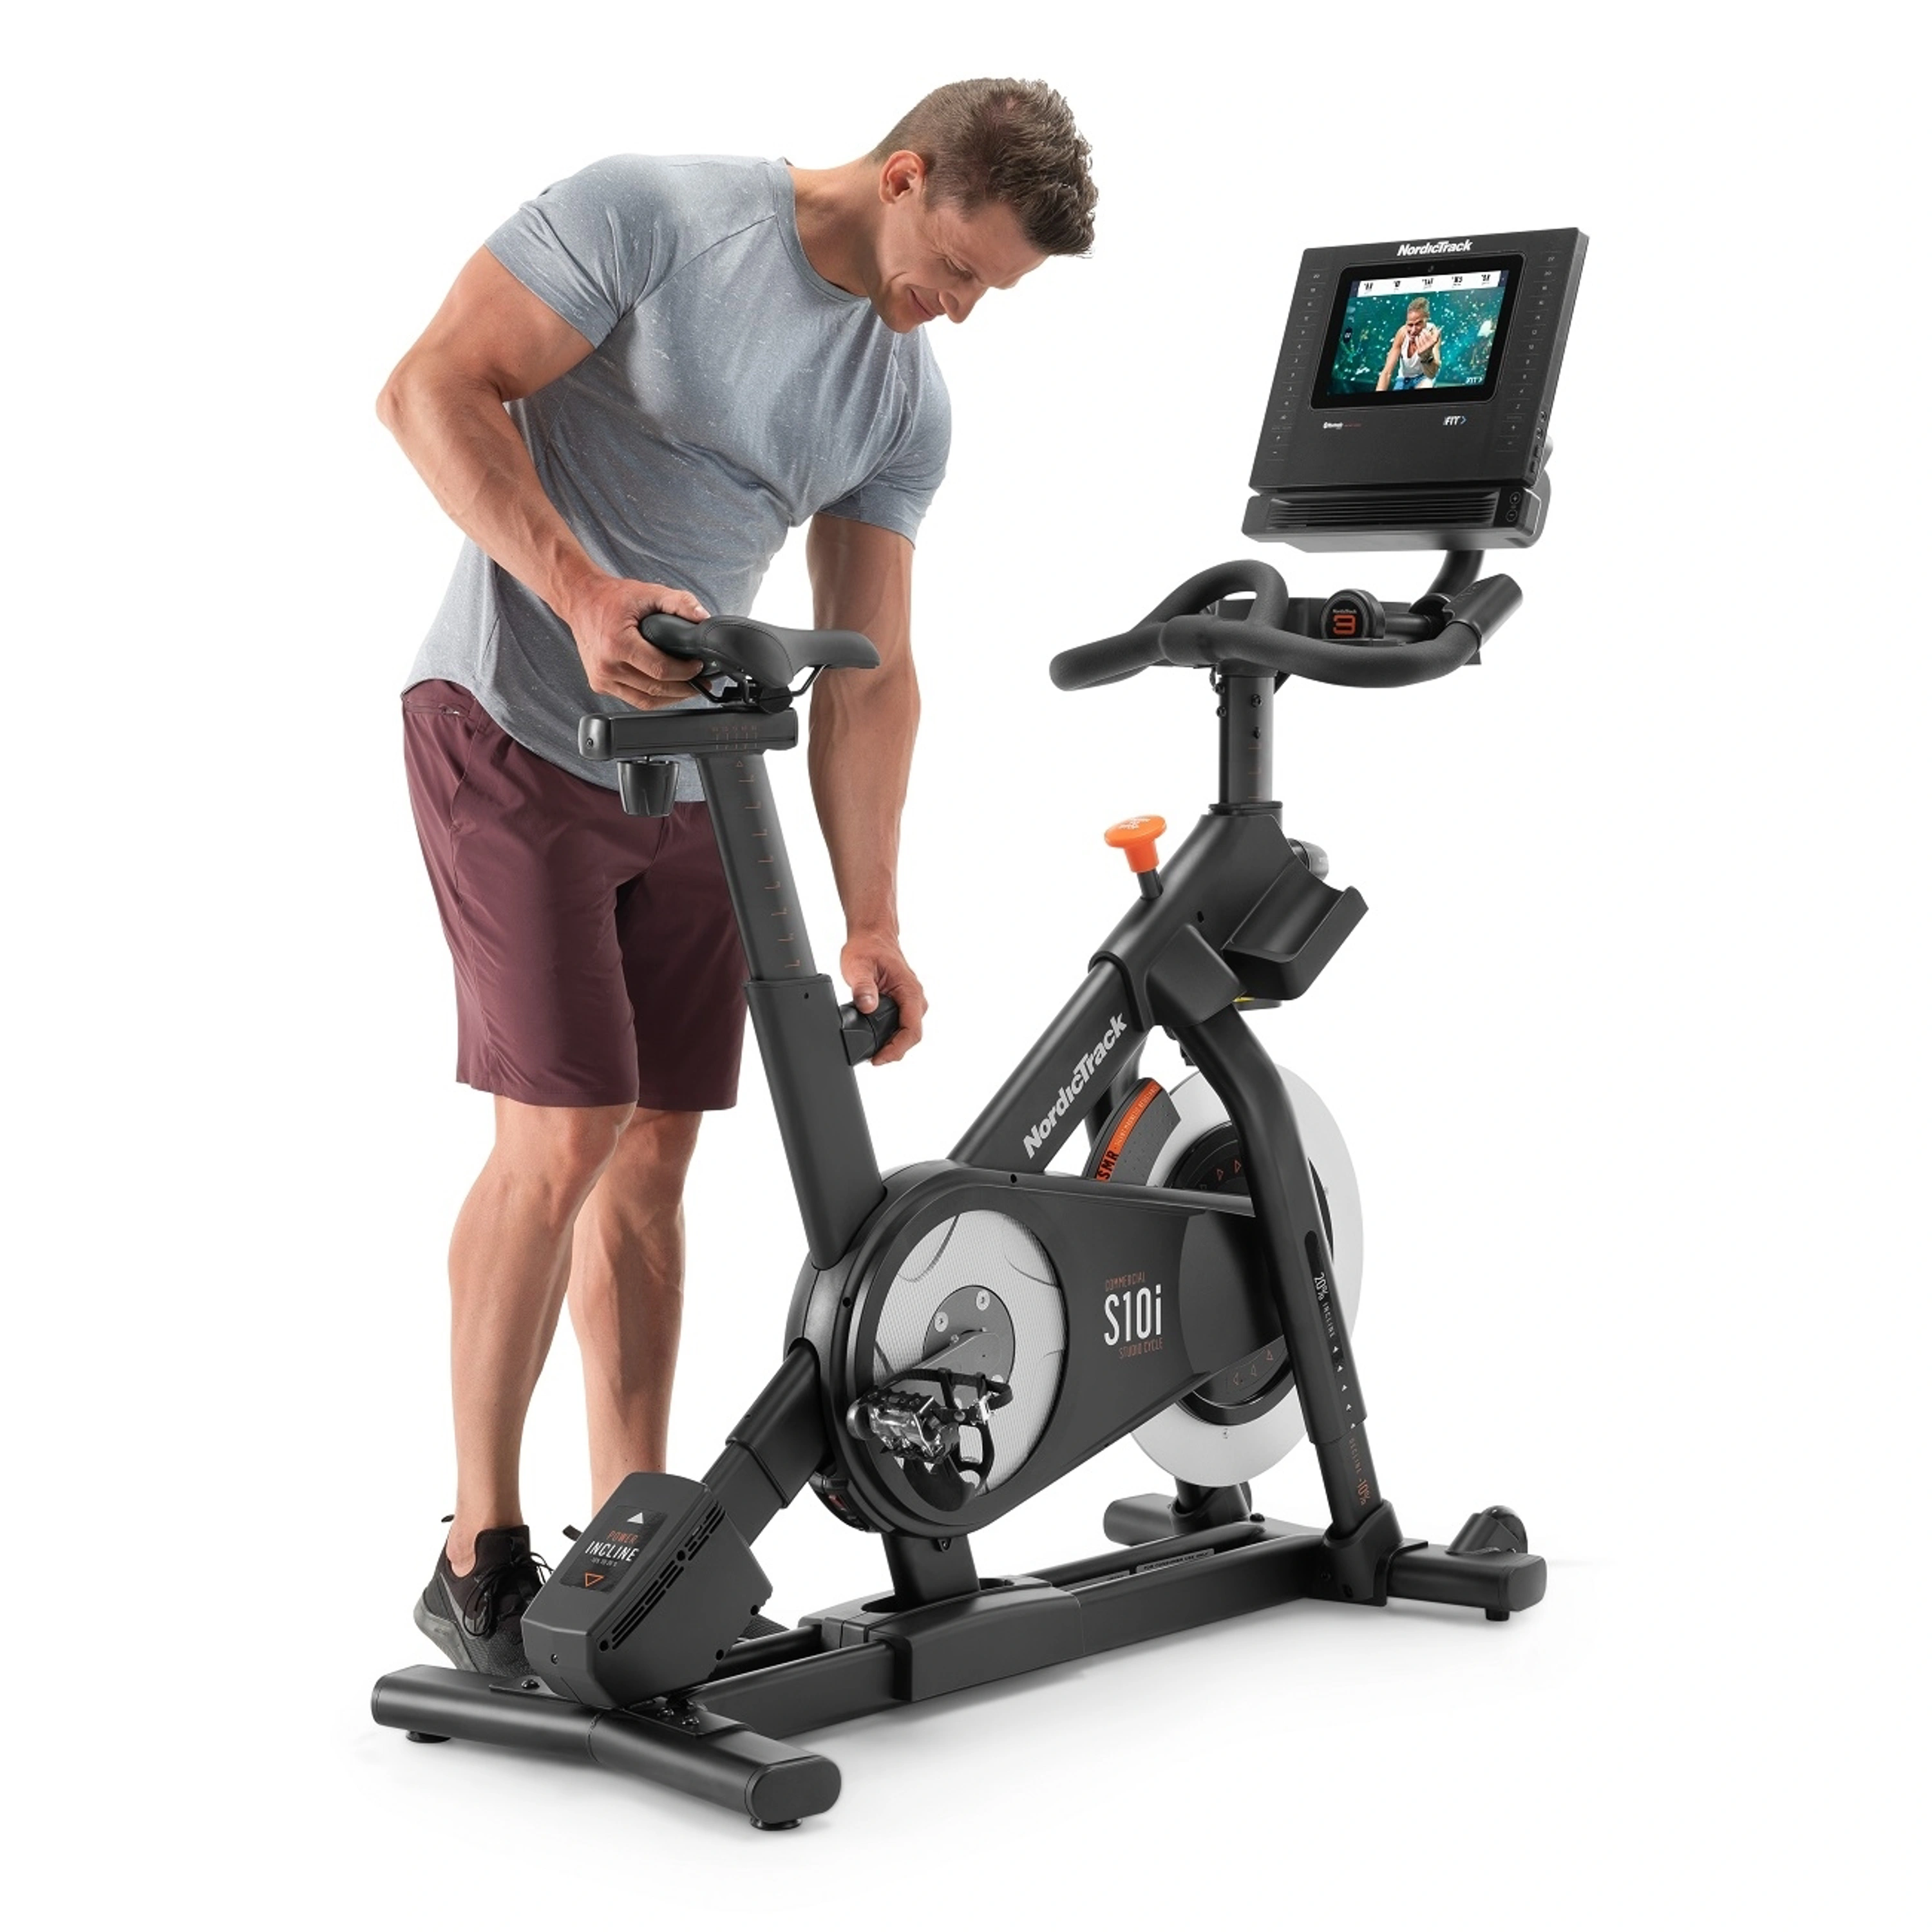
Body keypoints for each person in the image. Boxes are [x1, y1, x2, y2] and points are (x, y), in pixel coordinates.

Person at [377, 80, 1097, 1674]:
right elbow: (429, 387)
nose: (959, 312)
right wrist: (576, 588)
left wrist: (873, 914)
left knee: (652, 1158)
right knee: (562, 1135)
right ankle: (478, 1550)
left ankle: (629, 1539)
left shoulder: (902, 398)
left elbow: (873, 672)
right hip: (509, 721)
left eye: (991, 293)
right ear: (902, 175)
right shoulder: (654, 215)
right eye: (958, 268)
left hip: (700, 768)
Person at [1378, 296, 1443, 390]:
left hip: (1424, 377)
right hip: (1404, 378)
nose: (1413, 331)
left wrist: (1426, 356)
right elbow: (1387, 372)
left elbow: (1432, 374)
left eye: (1418, 324)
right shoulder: (1402, 333)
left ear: (1427, 318)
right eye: (1410, 325)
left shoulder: (1433, 334)